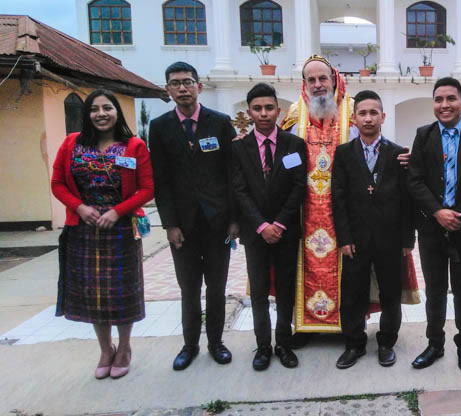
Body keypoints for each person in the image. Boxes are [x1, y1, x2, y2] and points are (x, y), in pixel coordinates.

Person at [281, 55, 417, 336]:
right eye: (311, 80)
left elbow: (377, 156)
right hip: (307, 212)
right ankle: (308, 327)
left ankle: (352, 330)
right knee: (307, 270)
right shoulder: (295, 114)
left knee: (358, 281)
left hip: (354, 218)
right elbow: (281, 154)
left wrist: (411, 158)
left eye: (323, 78)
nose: (318, 85)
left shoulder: (353, 113)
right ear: (304, 83)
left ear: (334, 79)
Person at [51, 89, 154, 379]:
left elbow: (147, 189)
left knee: (121, 292)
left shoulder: (133, 146)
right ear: (87, 114)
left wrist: (117, 211)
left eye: (107, 108)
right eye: (94, 109)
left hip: (121, 230)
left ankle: (124, 348)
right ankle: (105, 349)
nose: (101, 114)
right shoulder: (71, 143)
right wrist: (79, 207)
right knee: (93, 294)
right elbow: (57, 183)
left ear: (117, 112)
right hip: (83, 229)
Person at [149, 61, 239, 371]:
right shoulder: (159, 127)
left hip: (218, 223)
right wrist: (170, 224)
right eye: (175, 83)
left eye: (188, 82)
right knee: (189, 288)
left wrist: (234, 220)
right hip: (183, 226)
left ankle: (216, 343)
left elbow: (232, 175)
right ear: (168, 90)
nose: (183, 88)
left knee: (216, 287)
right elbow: (160, 180)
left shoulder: (220, 123)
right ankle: (189, 345)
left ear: (199, 87)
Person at [408, 77, 461, 372]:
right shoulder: (423, 135)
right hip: (431, 227)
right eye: (438, 99)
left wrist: (458, 214)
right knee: (434, 290)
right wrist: (437, 212)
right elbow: (415, 181)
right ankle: (434, 344)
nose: (444, 105)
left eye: (451, 99)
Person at [331, 90, 415, 369]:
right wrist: (343, 237)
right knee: (352, 293)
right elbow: (338, 198)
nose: (368, 118)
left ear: (383, 116)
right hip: (354, 240)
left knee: (390, 293)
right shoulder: (343, 154)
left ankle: (386, 342)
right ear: (354, 118)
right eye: (362, 113)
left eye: (373, 113)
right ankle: (354, 343)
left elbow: (407, 199)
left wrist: (407, 238)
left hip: (390, 239)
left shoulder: (399, 154)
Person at [232, 83, 307, 371]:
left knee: (286, 289)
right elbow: (239, 190)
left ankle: (284, 344)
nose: (263, 113)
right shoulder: (239, 148)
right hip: (255, 232)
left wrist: (279, 223)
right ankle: (263, 346)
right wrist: (262, 225)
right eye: (257, 108)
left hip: (285, 231)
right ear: (249, 112)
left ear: (278, 110)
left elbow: (299, 187)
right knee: (260, 291)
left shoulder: (294, 144)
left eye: (269, 108)